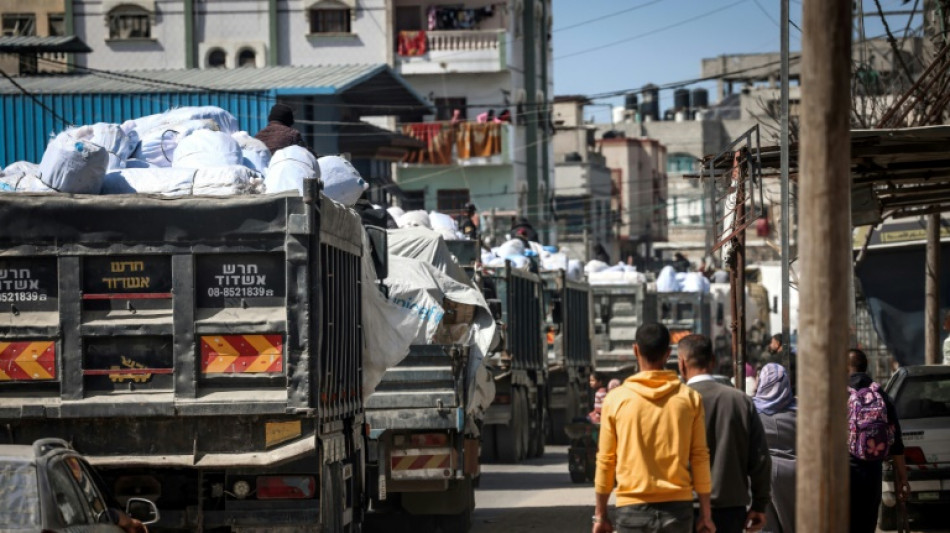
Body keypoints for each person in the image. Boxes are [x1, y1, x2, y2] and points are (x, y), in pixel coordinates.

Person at [593, 323, 715, 533]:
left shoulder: (615, 400)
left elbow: (606, 460)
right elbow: (699, 457)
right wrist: (705, 514)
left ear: (635, 350)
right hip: (678, 511)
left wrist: (601, 515)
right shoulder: (689, 399)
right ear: (668, 354)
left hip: (631, 510)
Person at [681, 335, 771, 533]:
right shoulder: (740, 401)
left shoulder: (673, 402)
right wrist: (759, 504)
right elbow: (760, 458)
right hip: (730, 510)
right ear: (713, 361)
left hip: (683, 509)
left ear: (681, 364)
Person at [848, 349, 909, 533]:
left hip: (844, 472)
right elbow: (896, 441)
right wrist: (902, 477)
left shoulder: (837, 394)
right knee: (867, 523)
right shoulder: (880, 393)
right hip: (873, 470)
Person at [752, 363, 796, 533]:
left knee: (767, 526)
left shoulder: (752, 411)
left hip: (762, 475)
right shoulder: (800, 412)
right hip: (795, 476)